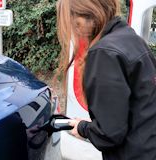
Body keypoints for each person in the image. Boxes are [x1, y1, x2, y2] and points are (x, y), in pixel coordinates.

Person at [56, 0, 156, 159]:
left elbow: (110, 133)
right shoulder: (130, 38)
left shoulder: (104, 52)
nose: (74, 30)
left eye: (72, 21)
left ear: (83, 17)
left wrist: (83, 128)